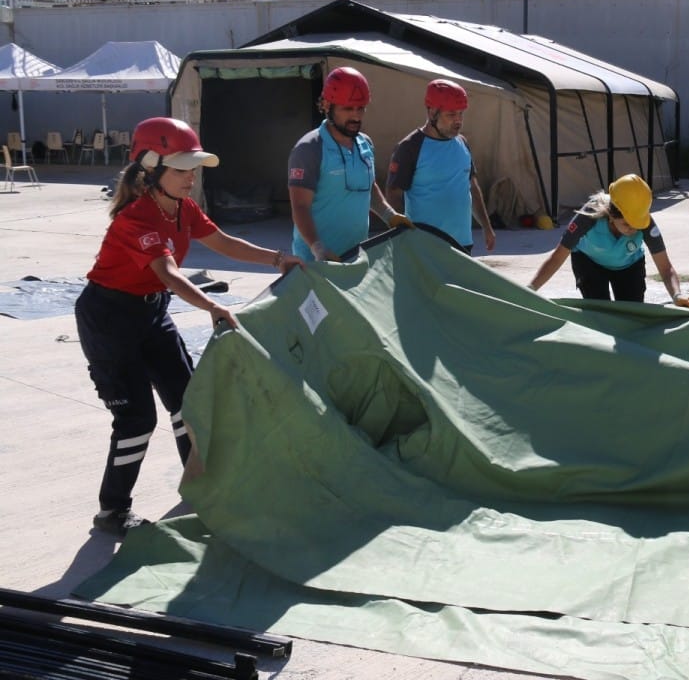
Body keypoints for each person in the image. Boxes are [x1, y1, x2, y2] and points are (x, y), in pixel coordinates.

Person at [75, 117, 304, 537]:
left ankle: (202, 482)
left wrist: (277, 258)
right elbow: (169, 274)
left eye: (193, 167)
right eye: (181, 168)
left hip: (150, 312)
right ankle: (112, 511)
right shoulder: (136, 219)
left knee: (188, 401)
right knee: (137, 420)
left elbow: (222, 243)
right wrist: (212, 305)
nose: (191, 176)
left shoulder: (183, 208)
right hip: (109, 319)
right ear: (150, 168)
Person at [288, 67, 409, 262]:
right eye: (347, 108)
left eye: (360, 108)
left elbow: (368, 187)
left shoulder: (365, 144)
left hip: (356, 257)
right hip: (315, 263)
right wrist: (317, 247)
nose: (356, 116)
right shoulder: (309, 149)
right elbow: (300, 207)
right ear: (327, 105)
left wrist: (390, 215)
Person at [527, 173, 689, 307]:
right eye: (627, 224)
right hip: (589, 264)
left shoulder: (645, 222)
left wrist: (677, 294)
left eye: (637, 224)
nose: (633, 229)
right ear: (611, 215)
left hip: (629, 266)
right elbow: (557, 257)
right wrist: (530, 290)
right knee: (600, 314)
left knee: (631, 314)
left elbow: (666, 268)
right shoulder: (589, 215)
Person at [385, 79, 496, 254]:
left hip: (462, 244)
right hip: (425, 246)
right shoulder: (410, 147)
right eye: (451, 115)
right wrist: (401, 236)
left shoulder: (462, 143)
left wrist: (486, 227)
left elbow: (472, 187)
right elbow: (393, 195)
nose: (458, 121)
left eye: (461, 114)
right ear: (432, 113)